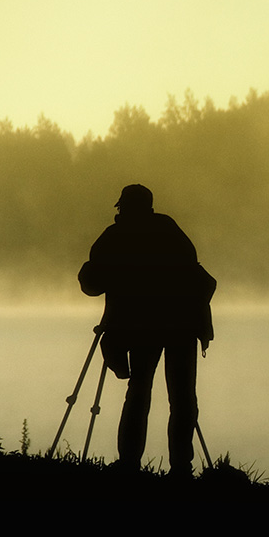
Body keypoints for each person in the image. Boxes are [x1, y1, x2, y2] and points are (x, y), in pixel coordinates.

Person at [78, 184, 215, 478]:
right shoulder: (169, 230)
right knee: (182, 397)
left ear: (124, 207)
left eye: (122, 208)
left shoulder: (116, 236)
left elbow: (92, 284)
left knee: (139, 391)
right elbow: (194, 273)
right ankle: (181, 468)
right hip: (182, 325)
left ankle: (129, 464)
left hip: (144, 327)